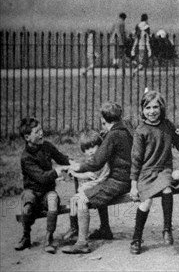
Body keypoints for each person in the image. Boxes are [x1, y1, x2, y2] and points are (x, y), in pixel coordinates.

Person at [62, 102, 133, 254]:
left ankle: (82, 243)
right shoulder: (125, 131)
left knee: (82, 199)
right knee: (96, 190)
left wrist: (79, 167)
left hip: (118, 181)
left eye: (103, 123)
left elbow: (96, 162)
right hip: (125, 179)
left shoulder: (113, 135)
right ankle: (105, 229)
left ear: (106, 120)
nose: (103, 127)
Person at [128, 91, 179, 254]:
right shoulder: (141, 131)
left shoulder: (167, 126)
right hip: (146, 171)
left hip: (163, 169)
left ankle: (167, 229)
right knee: (145, 203)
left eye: (156, 107)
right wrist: (133, 185)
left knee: (167, 189)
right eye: (148, 107)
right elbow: (136, 159)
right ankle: (136, 238)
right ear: (142, 110)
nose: (152, 111)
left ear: (161, 108)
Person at [15, 117, 71, 253]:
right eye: (37, 132)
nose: (41, 134)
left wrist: (73, 164)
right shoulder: (26, 157)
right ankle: (26, 235)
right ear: (27, 137)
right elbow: (41, 177)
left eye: (41, 130)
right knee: (27, 206)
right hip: (32, 191)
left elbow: (62, 158)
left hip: (47, 192)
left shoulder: (47, 146)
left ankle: (49, 238)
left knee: (53, 200)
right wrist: (57, 172)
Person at [63, 131, 109, 240]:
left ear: (100, 146)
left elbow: (93, 175)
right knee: (74, 200)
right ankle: (103, 227)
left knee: (74, 200)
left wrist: (76, 174)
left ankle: (75, 229)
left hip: (100, 185)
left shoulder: (100, 160)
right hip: (97, 185)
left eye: (93, 147)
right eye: (87, 149)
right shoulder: (91, 159)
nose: (90, 151)